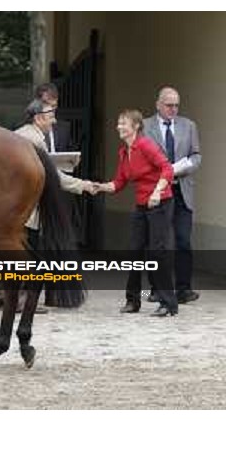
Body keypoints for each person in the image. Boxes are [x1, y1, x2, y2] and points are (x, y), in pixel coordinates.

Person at [0, 99, 96, 310]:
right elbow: (52, 176)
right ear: (38, 118)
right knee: (25, 251)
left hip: (12, 204)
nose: (54, 120)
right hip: (23, 206)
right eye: (50, 115)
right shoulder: (33, 139)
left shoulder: (22, 134)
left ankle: (0, 295)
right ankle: (20, 299)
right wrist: (83, 185)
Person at [96, 109, 178, 317]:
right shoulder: (125, 152)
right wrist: (96, 186)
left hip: (160, 203)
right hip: (142, 205)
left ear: (136, 127)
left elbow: (167, 169)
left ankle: (168, 303)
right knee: (134, 251)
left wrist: (157, 192)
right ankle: (133, 301)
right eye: (118, 123)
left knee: (157, 252)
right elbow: (118, 183)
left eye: (123, 123)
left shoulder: (145, 145)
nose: (119, 127)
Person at [143, 86, 201, 305]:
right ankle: (157, 288)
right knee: (157, 242)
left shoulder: (189, 126)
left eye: (176, 105)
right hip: (157, 190)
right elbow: (141, 157)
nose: (173, 109)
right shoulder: (146, 126)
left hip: (181, 189)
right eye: (169, 105)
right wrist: (162, 171)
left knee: (183, 240)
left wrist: (181, 168)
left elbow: (196, 156)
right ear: (158, 104)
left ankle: (184, 289)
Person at [34, 82, 73, 153]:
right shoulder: (25, 130)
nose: (50, 110)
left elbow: (69, 155)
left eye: (53, 106)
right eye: (47, 104)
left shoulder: (64, 129)